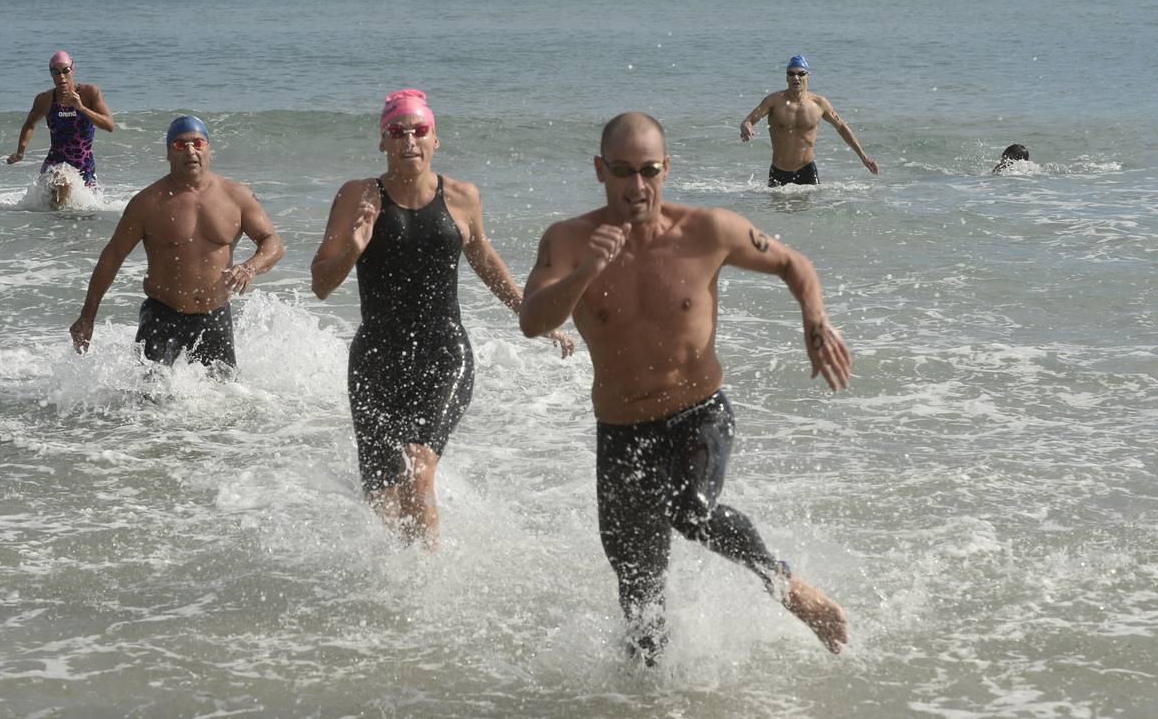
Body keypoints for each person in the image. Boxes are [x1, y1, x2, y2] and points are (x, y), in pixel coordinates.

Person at [519, 111, 851, 664]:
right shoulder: (569, 241)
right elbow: (532, 320)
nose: (637, 186)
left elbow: (795, 264)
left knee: (691, 509)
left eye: (649, 170)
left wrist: (814, 320)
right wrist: (584, 275)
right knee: (641, 608)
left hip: (697, 415)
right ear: (600, 170)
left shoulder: (707, 231)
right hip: (621, 434)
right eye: (622, 171)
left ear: (667, 168)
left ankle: (786, 586)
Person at [311, 89, 574, 549]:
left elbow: (487, 261)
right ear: (382, 142)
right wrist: (353, 249)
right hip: (376, 360)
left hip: (443, 353)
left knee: (418, 465)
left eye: (419, 130)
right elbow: (320, 282)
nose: (408, 140)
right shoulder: (358, 196)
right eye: (397, 131)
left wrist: (535, 314)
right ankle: (401, 574)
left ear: (436, 138)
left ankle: (425, 585)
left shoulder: (461, 197)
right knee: (383, 496)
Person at [70, 116, 284, 371]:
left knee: (225, 400)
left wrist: (250, 267)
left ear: (209, 150)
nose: (191, 150)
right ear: (168, 154)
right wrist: (88, 316)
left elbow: (273, 242)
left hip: (215, 316)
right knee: (149, 402)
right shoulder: (147, 203)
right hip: (162, 317)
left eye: (198, 143)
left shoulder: (237, 196)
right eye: (180, 145)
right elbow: (113, 256)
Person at [739, 55, 879, 186]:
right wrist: (747, 126)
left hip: (807, 171)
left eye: (801, 73)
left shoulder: (819, 104)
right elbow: (749, 120)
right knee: (777, 212)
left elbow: (841, 127)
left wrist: (863, 157)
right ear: (786, 78)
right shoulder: (773, 101)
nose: (796, 77)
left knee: (811, 212)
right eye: (791, 74)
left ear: (808, 77)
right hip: (778, 172)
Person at [8, 51, 114, 205]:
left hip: (84, 165)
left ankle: (58, 226)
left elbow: (109, 125)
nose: (61, 76)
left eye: (65, 70)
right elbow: (30, 124)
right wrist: (20, 152)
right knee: (61, 181)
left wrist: (81, 108)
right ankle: (53, 226)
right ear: (51, 74)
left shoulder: (89, 93)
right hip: (55, 163)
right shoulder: (45, 99)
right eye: (55, 72)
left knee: (85, 214)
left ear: (73, 69)